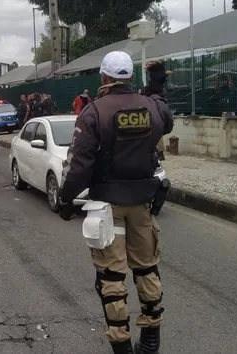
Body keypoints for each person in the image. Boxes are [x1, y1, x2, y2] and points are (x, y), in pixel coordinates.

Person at [59, 51, 173, 354]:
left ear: (104, 78)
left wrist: (65, 198)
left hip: (106, 206)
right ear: (131, 78)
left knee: (111, 277)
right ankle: (150, 341)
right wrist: (158, 85)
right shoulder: (151, 106)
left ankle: (121, 346)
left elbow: (79, 164)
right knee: (147, 270)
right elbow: (166, 118)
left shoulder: (94, 112)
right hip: (142, 205)